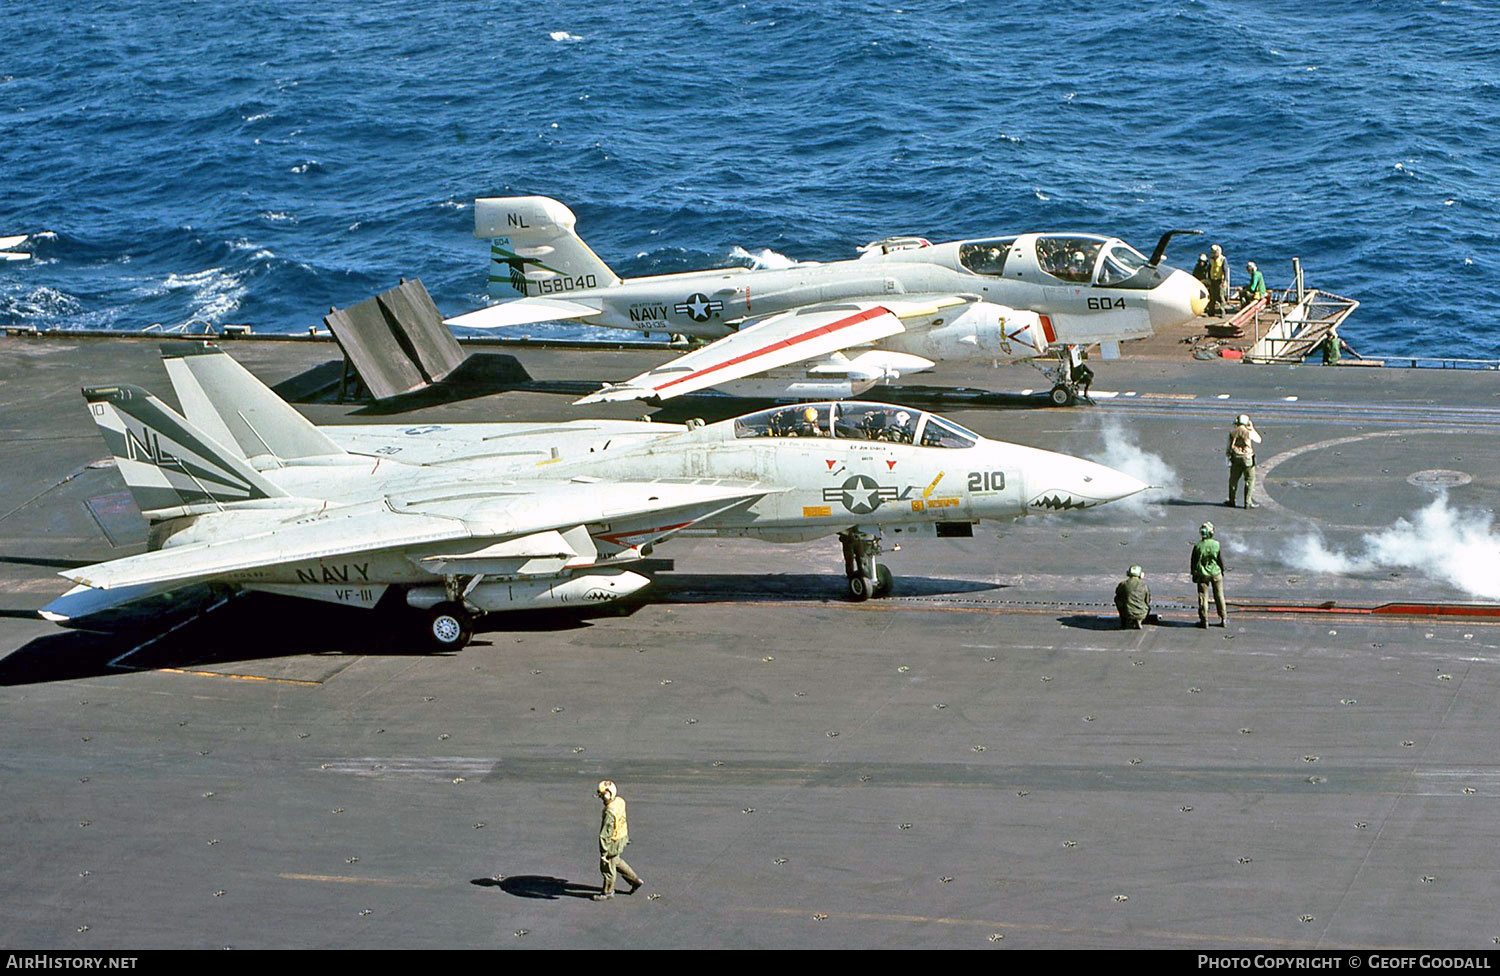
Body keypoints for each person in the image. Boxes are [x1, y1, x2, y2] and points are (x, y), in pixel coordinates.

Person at [592, 780, 644, 901]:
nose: (601, 798)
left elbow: (605, 834)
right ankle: (635, 880)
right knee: (616, 860)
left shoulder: (609, 811)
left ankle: (608, 892)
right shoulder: (620, 801)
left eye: (601, 795)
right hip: (622, 836)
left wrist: (604, 852)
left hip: (613, 841)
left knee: (608, 866)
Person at [1190, 522, 1227, 628]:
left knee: (1203, 597)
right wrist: (1222, 570)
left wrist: (1193, 573)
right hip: (1216, 573)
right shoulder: (1216, 544)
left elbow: (1193, 561)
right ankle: (1223, 618)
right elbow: (1220, 559)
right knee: (1219, 595)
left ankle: (1204, 620)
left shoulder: (1198, 546)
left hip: (1203, 574)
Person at [1226, 413, 1262, 508]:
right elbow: (1259, 440)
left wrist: (1228, 457)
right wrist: (1252, 428)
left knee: (1233, 480)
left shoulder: (1232, 432)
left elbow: (1228, 447)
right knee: (1250, 480)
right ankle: (1247, 502)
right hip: (1247, 458)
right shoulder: (1248, 432)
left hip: (1235, 457)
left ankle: (1231, 500)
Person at [1114, 565, 1151, 629]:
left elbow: (1118, 595)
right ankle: (1139, 620)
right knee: (1147, 607)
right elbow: (1147, 600)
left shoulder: (1123, 584)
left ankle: (1123, 622)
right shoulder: (1144, 586)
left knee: (1117, 599)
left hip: (1126, 611)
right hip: (1142, 613)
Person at [1205, 244, 1229, 315]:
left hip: (1220, 280)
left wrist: (1224, 281)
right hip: (1213, 280)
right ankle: (1211, 311)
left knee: (1221, 296)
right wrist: (1208, 279)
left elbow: (1225, 271)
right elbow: (1209, 270)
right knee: (1212, 296)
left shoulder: (1222, 259)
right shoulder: (1211, 260)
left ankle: (1222, 312)